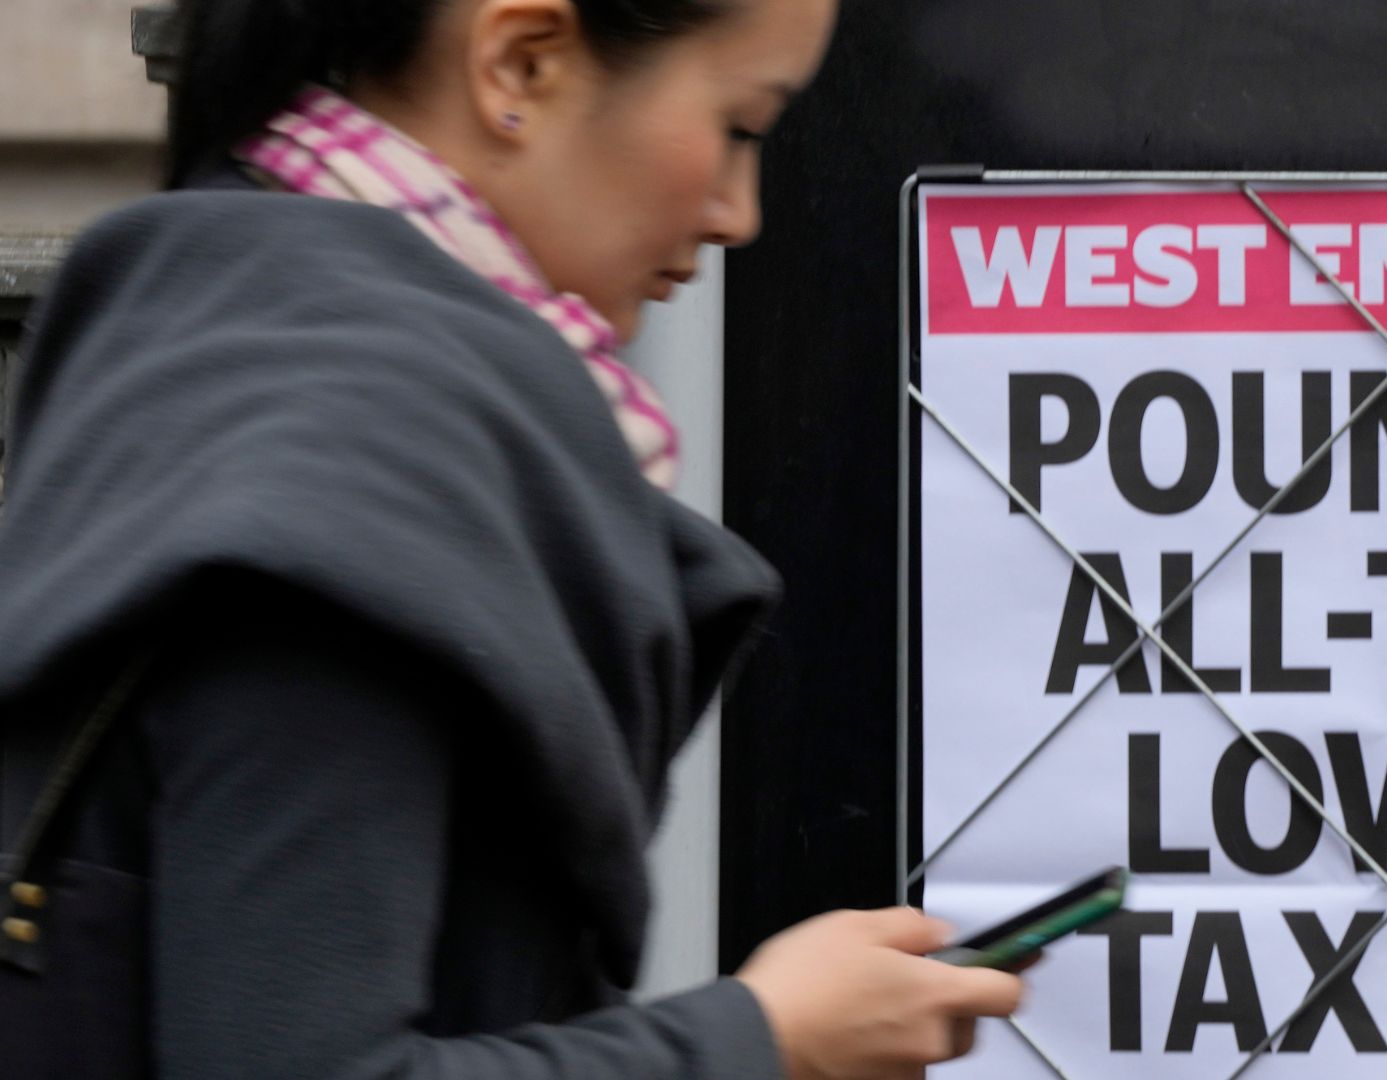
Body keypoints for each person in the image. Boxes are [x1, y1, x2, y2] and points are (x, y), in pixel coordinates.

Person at [0, 0, 1022, 1077]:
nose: (739, 214)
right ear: (519, 63)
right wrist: (765, 1038)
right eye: (741, 127)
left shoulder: (224, 345)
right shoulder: (355, 476)